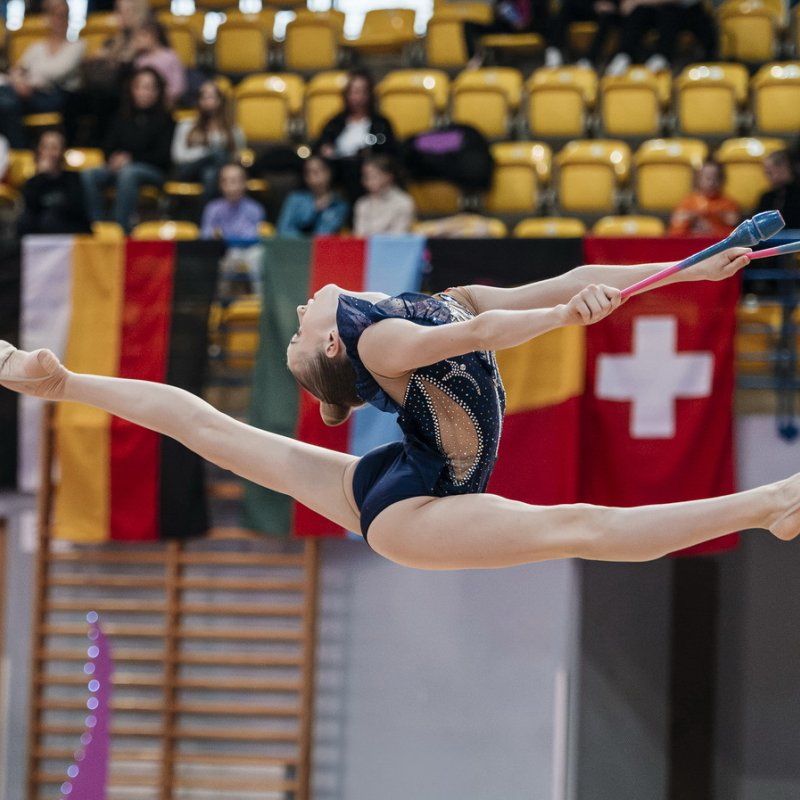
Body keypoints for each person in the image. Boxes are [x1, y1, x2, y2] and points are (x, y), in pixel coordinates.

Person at [5, 246, 800, 570]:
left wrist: (686, 271)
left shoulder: (429, 304)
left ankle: (62, 385)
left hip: (400, 478)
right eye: (297, 338)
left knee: (209, 431)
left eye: (290, 332)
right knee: (581, 525)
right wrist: (571, 319)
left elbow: (571, 274)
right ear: (337, 349)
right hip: (418, 514)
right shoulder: (384, 343)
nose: (296, 319)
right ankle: (770, 504)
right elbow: (494, 327)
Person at [81, 67, 175, 232]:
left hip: (153, 171)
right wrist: (113, 158)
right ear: (132, 89)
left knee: (129, 173)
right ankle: (97, 225)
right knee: (89, 174)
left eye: (149, 87)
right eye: (139, 87)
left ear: (158, 91)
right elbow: (107, 146)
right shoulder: (122, 116)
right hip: (120, 167)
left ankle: (120, 228)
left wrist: (131, 158)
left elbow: (163, 156)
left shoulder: (166, 120)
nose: (144, 92)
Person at [0, 0, 85, 148]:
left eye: (62, 16)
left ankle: (18, 150)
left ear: (68, 18)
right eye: (55, 16)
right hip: (27, 94)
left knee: (7, 103)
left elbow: (57, 72)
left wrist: (27, 81)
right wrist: (20, 82)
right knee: (5, 98)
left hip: (56, 97)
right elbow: (17, 69)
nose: (58, 20)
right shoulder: (36, 47)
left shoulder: (77, 46)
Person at [65, 0, 148, 146]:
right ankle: (70, 146)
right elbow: (94, 59)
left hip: (127, 91)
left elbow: (127, 64)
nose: (118, 16)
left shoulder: (145, 38)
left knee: (104, 100)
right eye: (118, 11)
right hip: (104, 88)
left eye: (123, 11)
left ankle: (103, 147)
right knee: (72, 98)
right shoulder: (113, 40)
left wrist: (112, 60)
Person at [316, 70, 398, 202]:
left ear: (369, 94)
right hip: (336, 167)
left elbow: (388, 150)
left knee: (357, 171)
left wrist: (367, 153)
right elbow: (322, 143)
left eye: (361, 91)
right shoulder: (335, 122)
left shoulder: (380, 123)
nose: (357, 97)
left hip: (363, 168)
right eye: (353, 91)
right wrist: (326, 149)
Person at [171, 80, 245, 202]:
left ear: (221, 101)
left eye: (211, 97)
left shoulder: (233, 130)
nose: (207, 101)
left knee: (210, 175)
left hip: (217, 174)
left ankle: (204, 217)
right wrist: (207, 155)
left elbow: (237, 157)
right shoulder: (186, 125)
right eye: (203, 97)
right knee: (218, 153)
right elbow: (178, 156)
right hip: (188, 170)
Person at [605, 0, 717, 76]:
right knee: (638, 13)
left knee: (669, 11)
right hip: (658, 13)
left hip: (689, 14)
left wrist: (637, 1)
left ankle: (662, 57)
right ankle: (624, 55)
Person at [16, 129, 91, 236]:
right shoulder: (33, 182)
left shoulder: (73, 178)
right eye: (45, 147)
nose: (49, 153)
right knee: (25, 222)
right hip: (42, 228)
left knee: (49, 219)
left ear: (62, 152)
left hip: (68, 228)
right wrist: (40, 177)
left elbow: (76, 209)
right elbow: (30, 209)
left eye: (54, 148)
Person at [276, 154, 349, 237]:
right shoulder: (294, 199)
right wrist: (313, 209)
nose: (311, 177)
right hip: (294, 248)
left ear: (329, 173)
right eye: (308, 173)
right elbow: (283, 230)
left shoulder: (338, 204)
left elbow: (325, 234)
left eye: (316, 172)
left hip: (323, 248)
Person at [668, 159, 740, 237]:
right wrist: (693, 217)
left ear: (722, 180)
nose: (712, 182)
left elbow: (733, 221)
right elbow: (677, 221)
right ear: (698, 179)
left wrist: (711, 213)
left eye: (716, 178)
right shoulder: (688, 201)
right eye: (707, 178)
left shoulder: (727, 203)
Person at [544, 0, 623, 68]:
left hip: (613, 12)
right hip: (591, 7)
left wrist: (613, 5)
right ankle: (554, 49)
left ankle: (589, 60)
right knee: (567, 6)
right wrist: (594, 5)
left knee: (606, 17)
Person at [200, 162, 265, 241]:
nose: (230, 187)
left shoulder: (255, 209)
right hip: (219, 251)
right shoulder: (212, 208)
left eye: (234, 181)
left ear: (244, 183)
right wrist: (213, 234)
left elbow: (255, 236)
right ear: (220, 185)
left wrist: (226, 236)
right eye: (225, 181)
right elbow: (204, 234)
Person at [131, 17, 187, 109]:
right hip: (142, 103)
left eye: (142, 36)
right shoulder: (139, 60)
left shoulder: (170, 56)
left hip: (166, 104)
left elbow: (178, 87)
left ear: (153, 36)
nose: (138, 40)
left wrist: (158, 97)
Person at [353, 155, 415, 236]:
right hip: (367, 247)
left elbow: (398, 236)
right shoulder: (362, 203)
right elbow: (359, 235)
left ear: (388, 177)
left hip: (393, 247)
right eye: (365, 176)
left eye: (373, 175)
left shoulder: (404, 202)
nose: (367, 180)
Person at [756, 150, 800, 230]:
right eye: (766, 173)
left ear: (785, 168)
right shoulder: (767, 198)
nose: (767, 177)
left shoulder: (796, 196)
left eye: (770, 173)